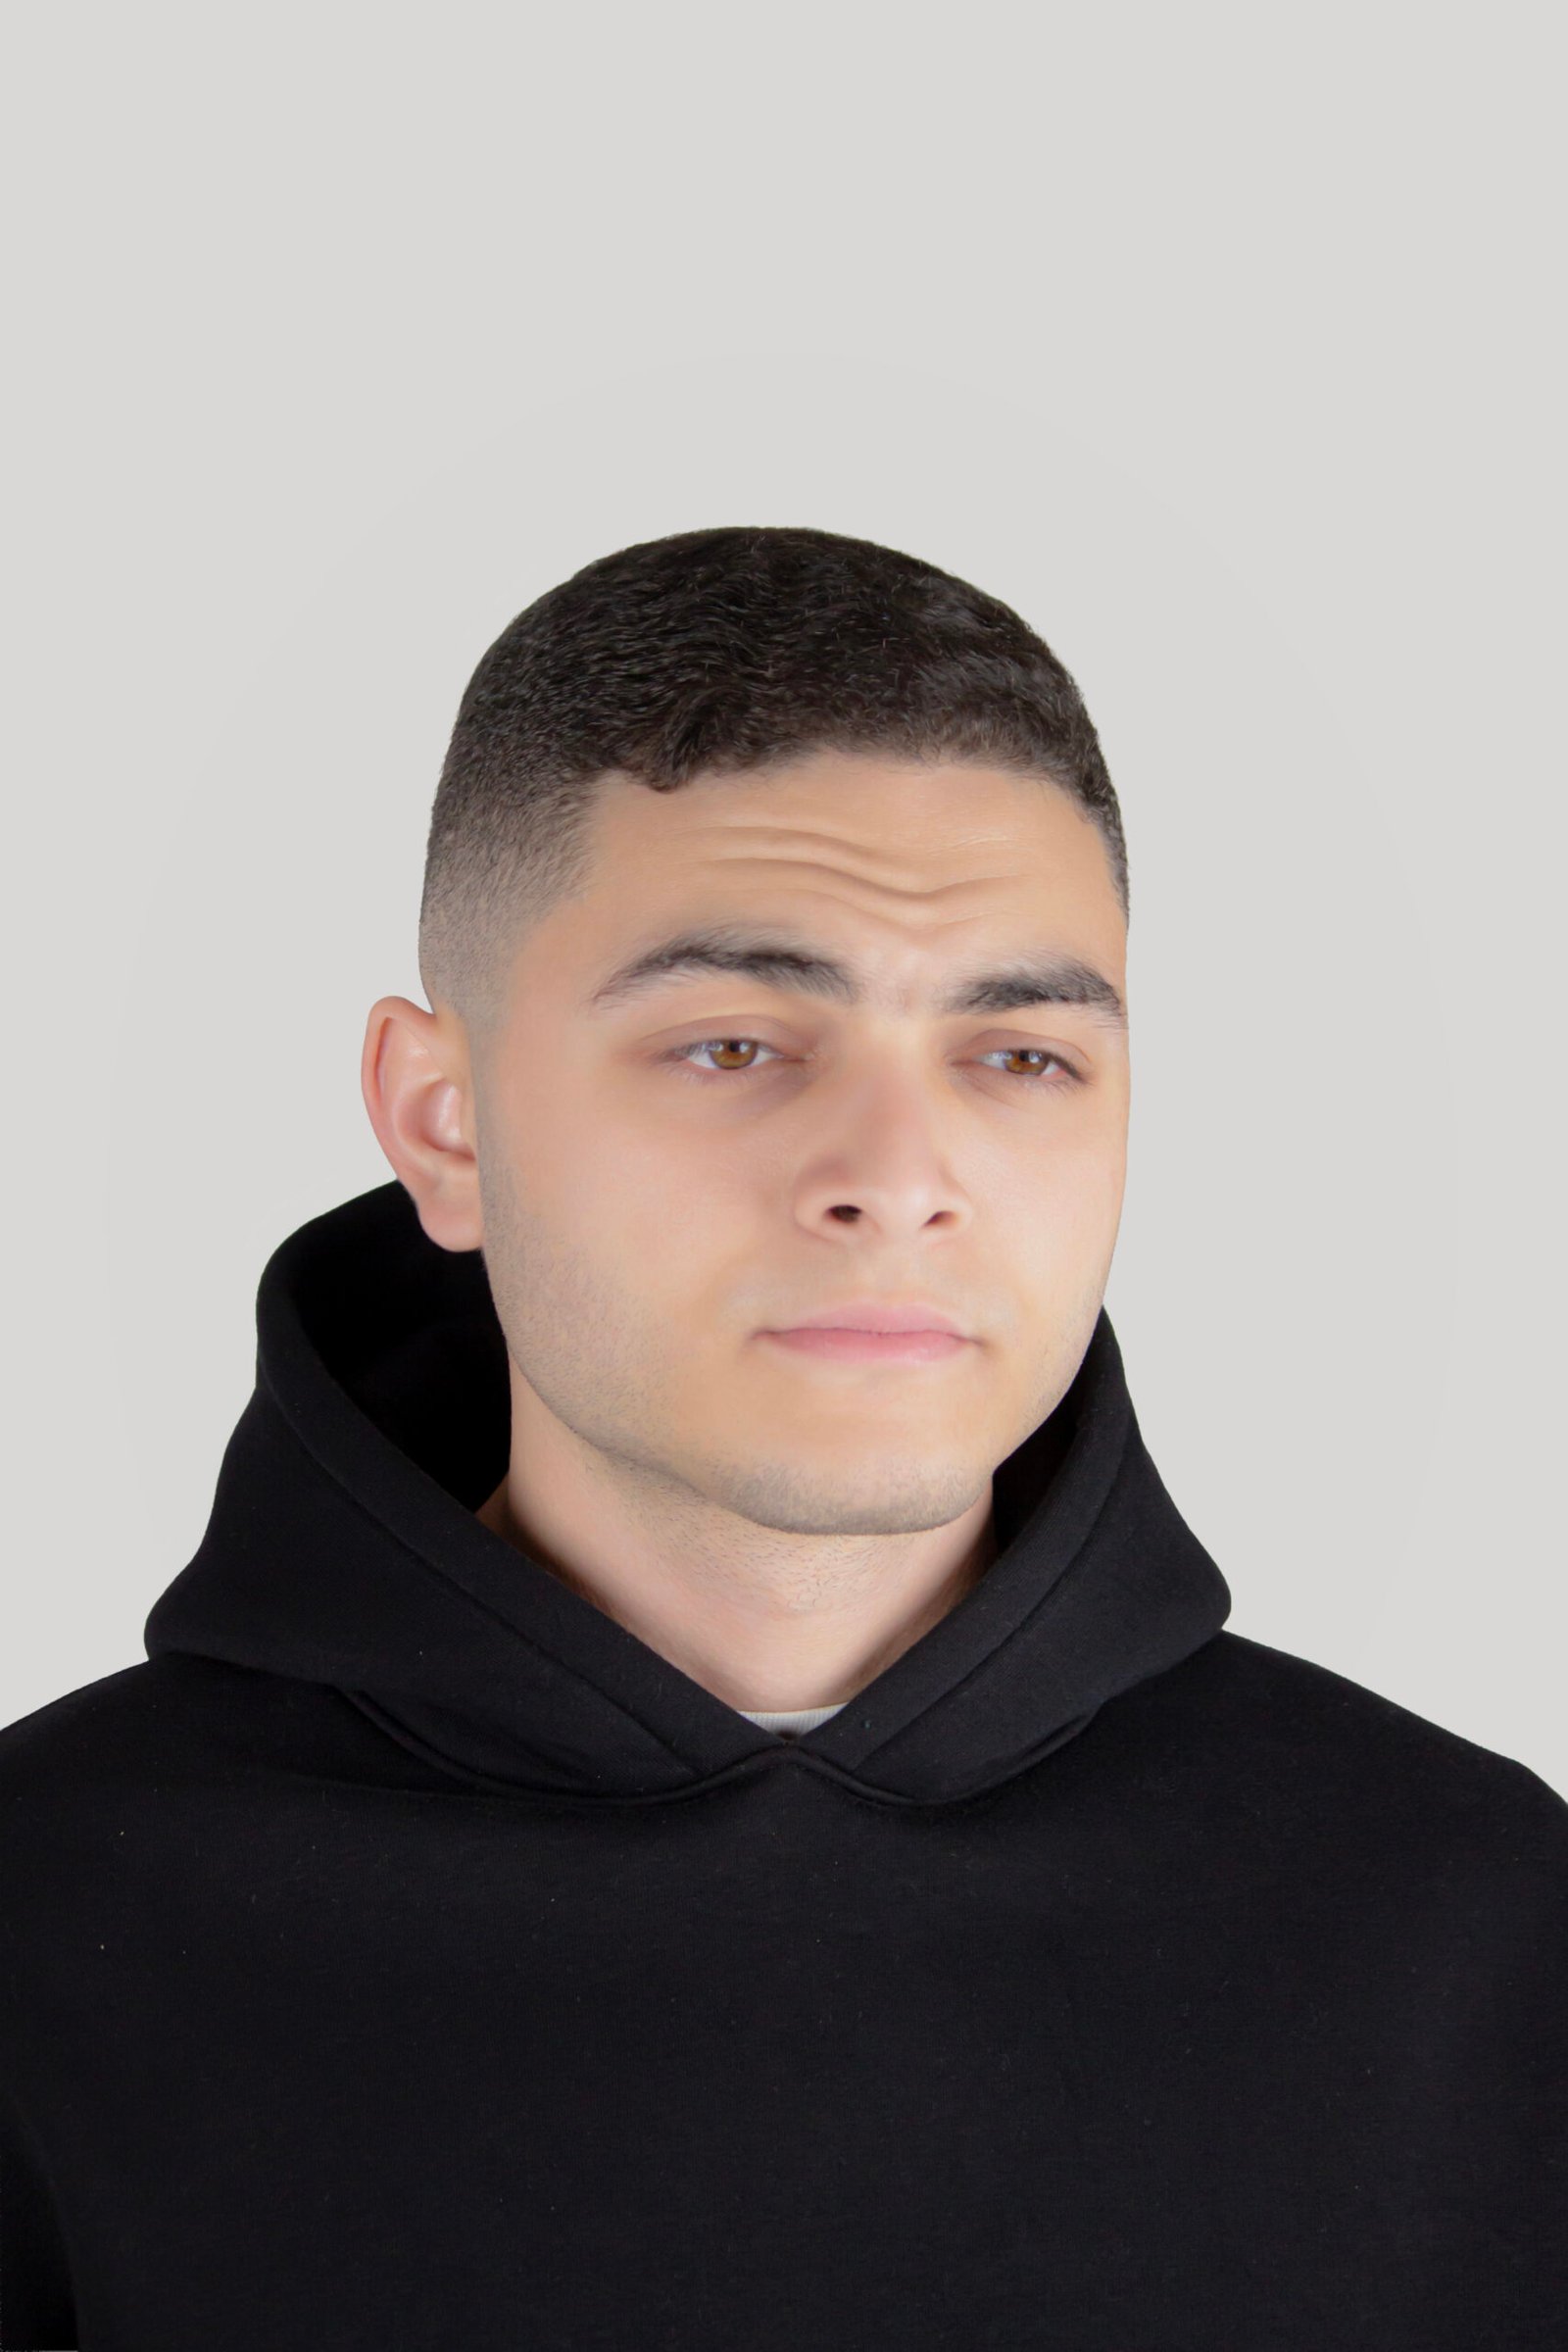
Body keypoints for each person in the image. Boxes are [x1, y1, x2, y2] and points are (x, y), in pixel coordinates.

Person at [1, 525, 1562, 2349]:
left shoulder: (1477, 1928)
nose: (898, 1178)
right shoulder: (43, 1927)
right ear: (444, 1122)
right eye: (736, 1045)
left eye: (1021, 1056)